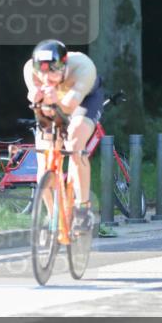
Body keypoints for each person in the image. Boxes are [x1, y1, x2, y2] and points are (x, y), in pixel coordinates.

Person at [23, 39, 103, 232]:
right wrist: (38, 98)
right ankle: (53, 216)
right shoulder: (30, 69)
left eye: (52, 71)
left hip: (83, 101)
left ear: (63, 65)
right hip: (52, 102)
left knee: (75, 140)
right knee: (44, 163)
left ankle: (83, 209)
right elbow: (39, 102)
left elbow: (68, 106)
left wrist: (54, 98)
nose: (46, 77)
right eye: (42, 72)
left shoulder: (83, 67)